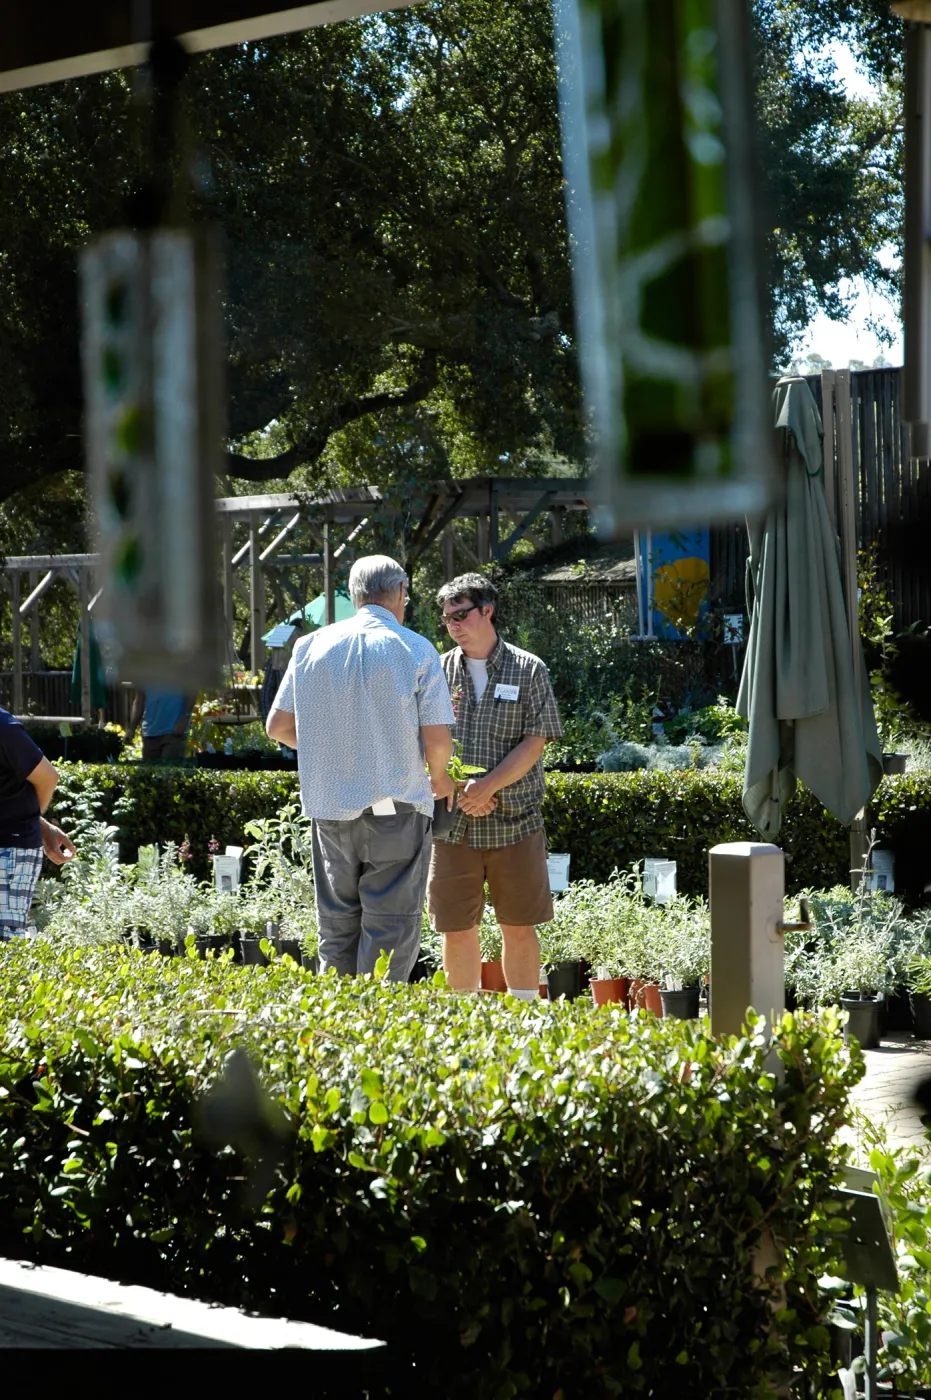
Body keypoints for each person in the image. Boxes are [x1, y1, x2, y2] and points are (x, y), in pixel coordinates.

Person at [265, 555, 455, 981]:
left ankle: (338, 1028)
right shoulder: (416, 648)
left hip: (330, 810)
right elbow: (438, 741)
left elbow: (277, 727)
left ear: (354, 595)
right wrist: (439, 779)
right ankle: (380, 1034)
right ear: (401, 593)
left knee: (336, 929)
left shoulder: (309, 646)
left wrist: (327, 752)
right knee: (391, 928)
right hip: (397, 810)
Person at [428, 573, 563, 998]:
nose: (453, 625)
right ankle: (463, 1021)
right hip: (453, 825)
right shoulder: (435, 670)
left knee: (519, 927)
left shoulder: (529, 668)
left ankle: (523, 1021)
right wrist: (447, 780)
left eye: (461, 614)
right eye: (447, 618)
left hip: (515, 821)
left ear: (488, 611)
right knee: (455, 929)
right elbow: (422, 736)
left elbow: (535, 742)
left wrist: (486, 788)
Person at [0, 707, 76, 941]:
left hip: (9, 848)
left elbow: (47, 777)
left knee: (6, 952)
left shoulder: (3, 727)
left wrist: (35, 822)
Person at [126, 688, 194, 761]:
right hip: (150, 733)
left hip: (173, 731)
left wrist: (185, 718)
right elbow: (139, 701)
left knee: (171, 768)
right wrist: (131, 729)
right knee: (150, 770)